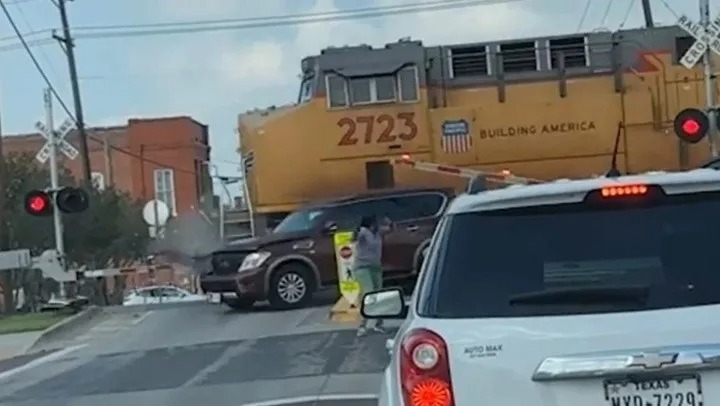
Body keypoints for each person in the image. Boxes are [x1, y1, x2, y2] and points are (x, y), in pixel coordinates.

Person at [353, 214, 392, 337]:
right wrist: (357, 231)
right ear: (371, 223)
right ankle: (362, 325)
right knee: (368, 293)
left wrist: (390, 222)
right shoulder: (364, 232)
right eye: (376, 222)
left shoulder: (378, 233)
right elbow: (355, 237)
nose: (379, 224)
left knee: (378, 294)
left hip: (375, 267)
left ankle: (378, 324)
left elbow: (391, 229)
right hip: (362, 267)